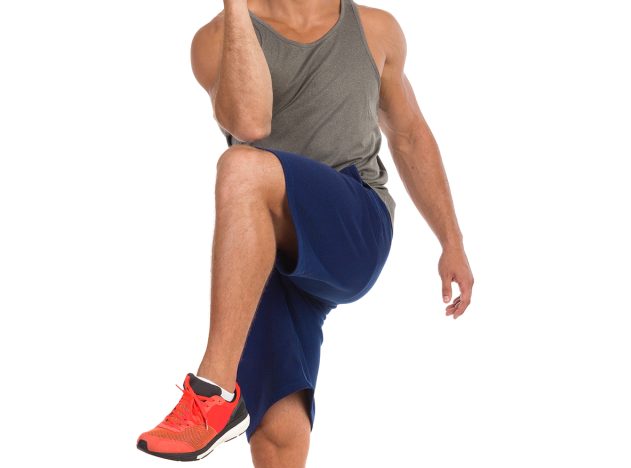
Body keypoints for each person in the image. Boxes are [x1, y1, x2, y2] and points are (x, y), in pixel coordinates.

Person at [136, 0, 474, 465]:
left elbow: (409, 134)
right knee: (276, 435)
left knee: (241, 168)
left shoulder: (376, 29)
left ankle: (213, 389)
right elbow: (250, 123)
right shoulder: (216, 40)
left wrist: (451, 241)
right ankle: (228, 406)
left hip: (353, 225)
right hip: (266, 254)